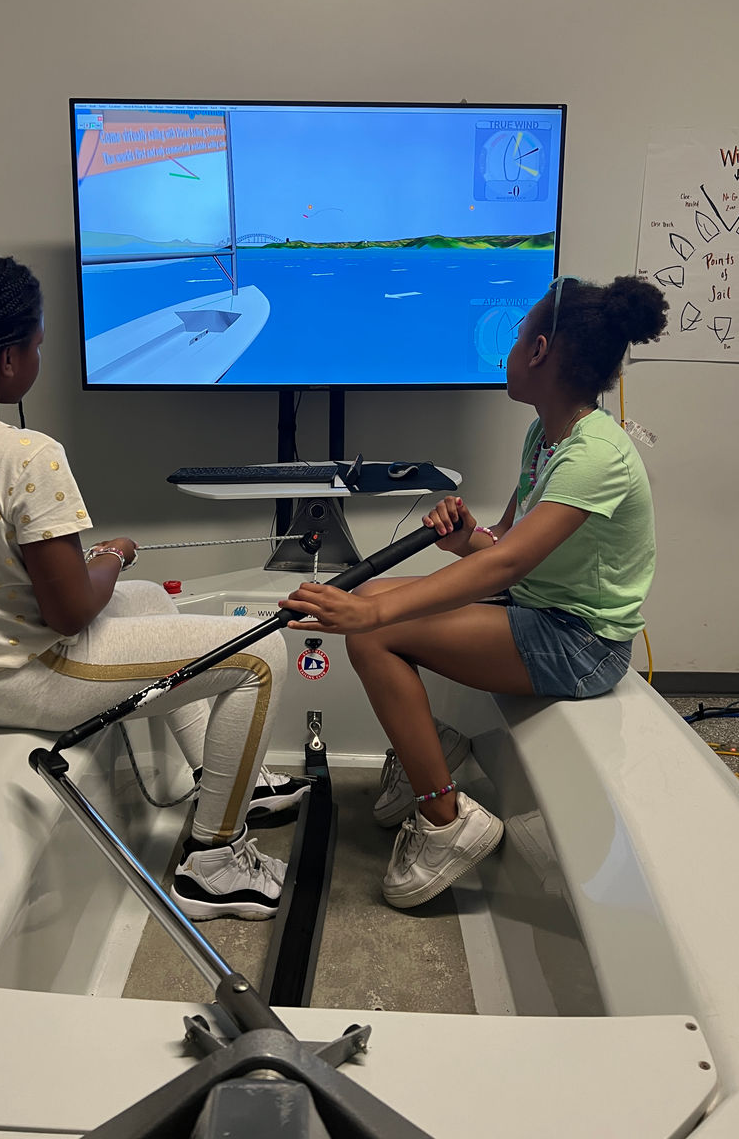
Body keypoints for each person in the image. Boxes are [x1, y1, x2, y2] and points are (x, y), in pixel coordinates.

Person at [0, 248, 308, 922]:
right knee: (260, 655)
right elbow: (72, 611)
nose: (38, 357)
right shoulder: (27, 454)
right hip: (28, 675)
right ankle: (215, 862)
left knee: (147, 603)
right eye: (38, 345)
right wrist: (110, 555)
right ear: (9, 360)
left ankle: (230, 781)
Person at [280, 274, 668, 911]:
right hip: (535, 607)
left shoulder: (597, 455)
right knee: (377, 611)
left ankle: (445, 821)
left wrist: (371, 609)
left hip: (581, 643)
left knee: (374, 628)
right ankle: (432, 751)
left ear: (540, 351)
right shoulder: (545, 435)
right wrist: (465, 539)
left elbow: (508, 564)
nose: (508, 351)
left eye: (517, 339)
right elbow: (501, 545)